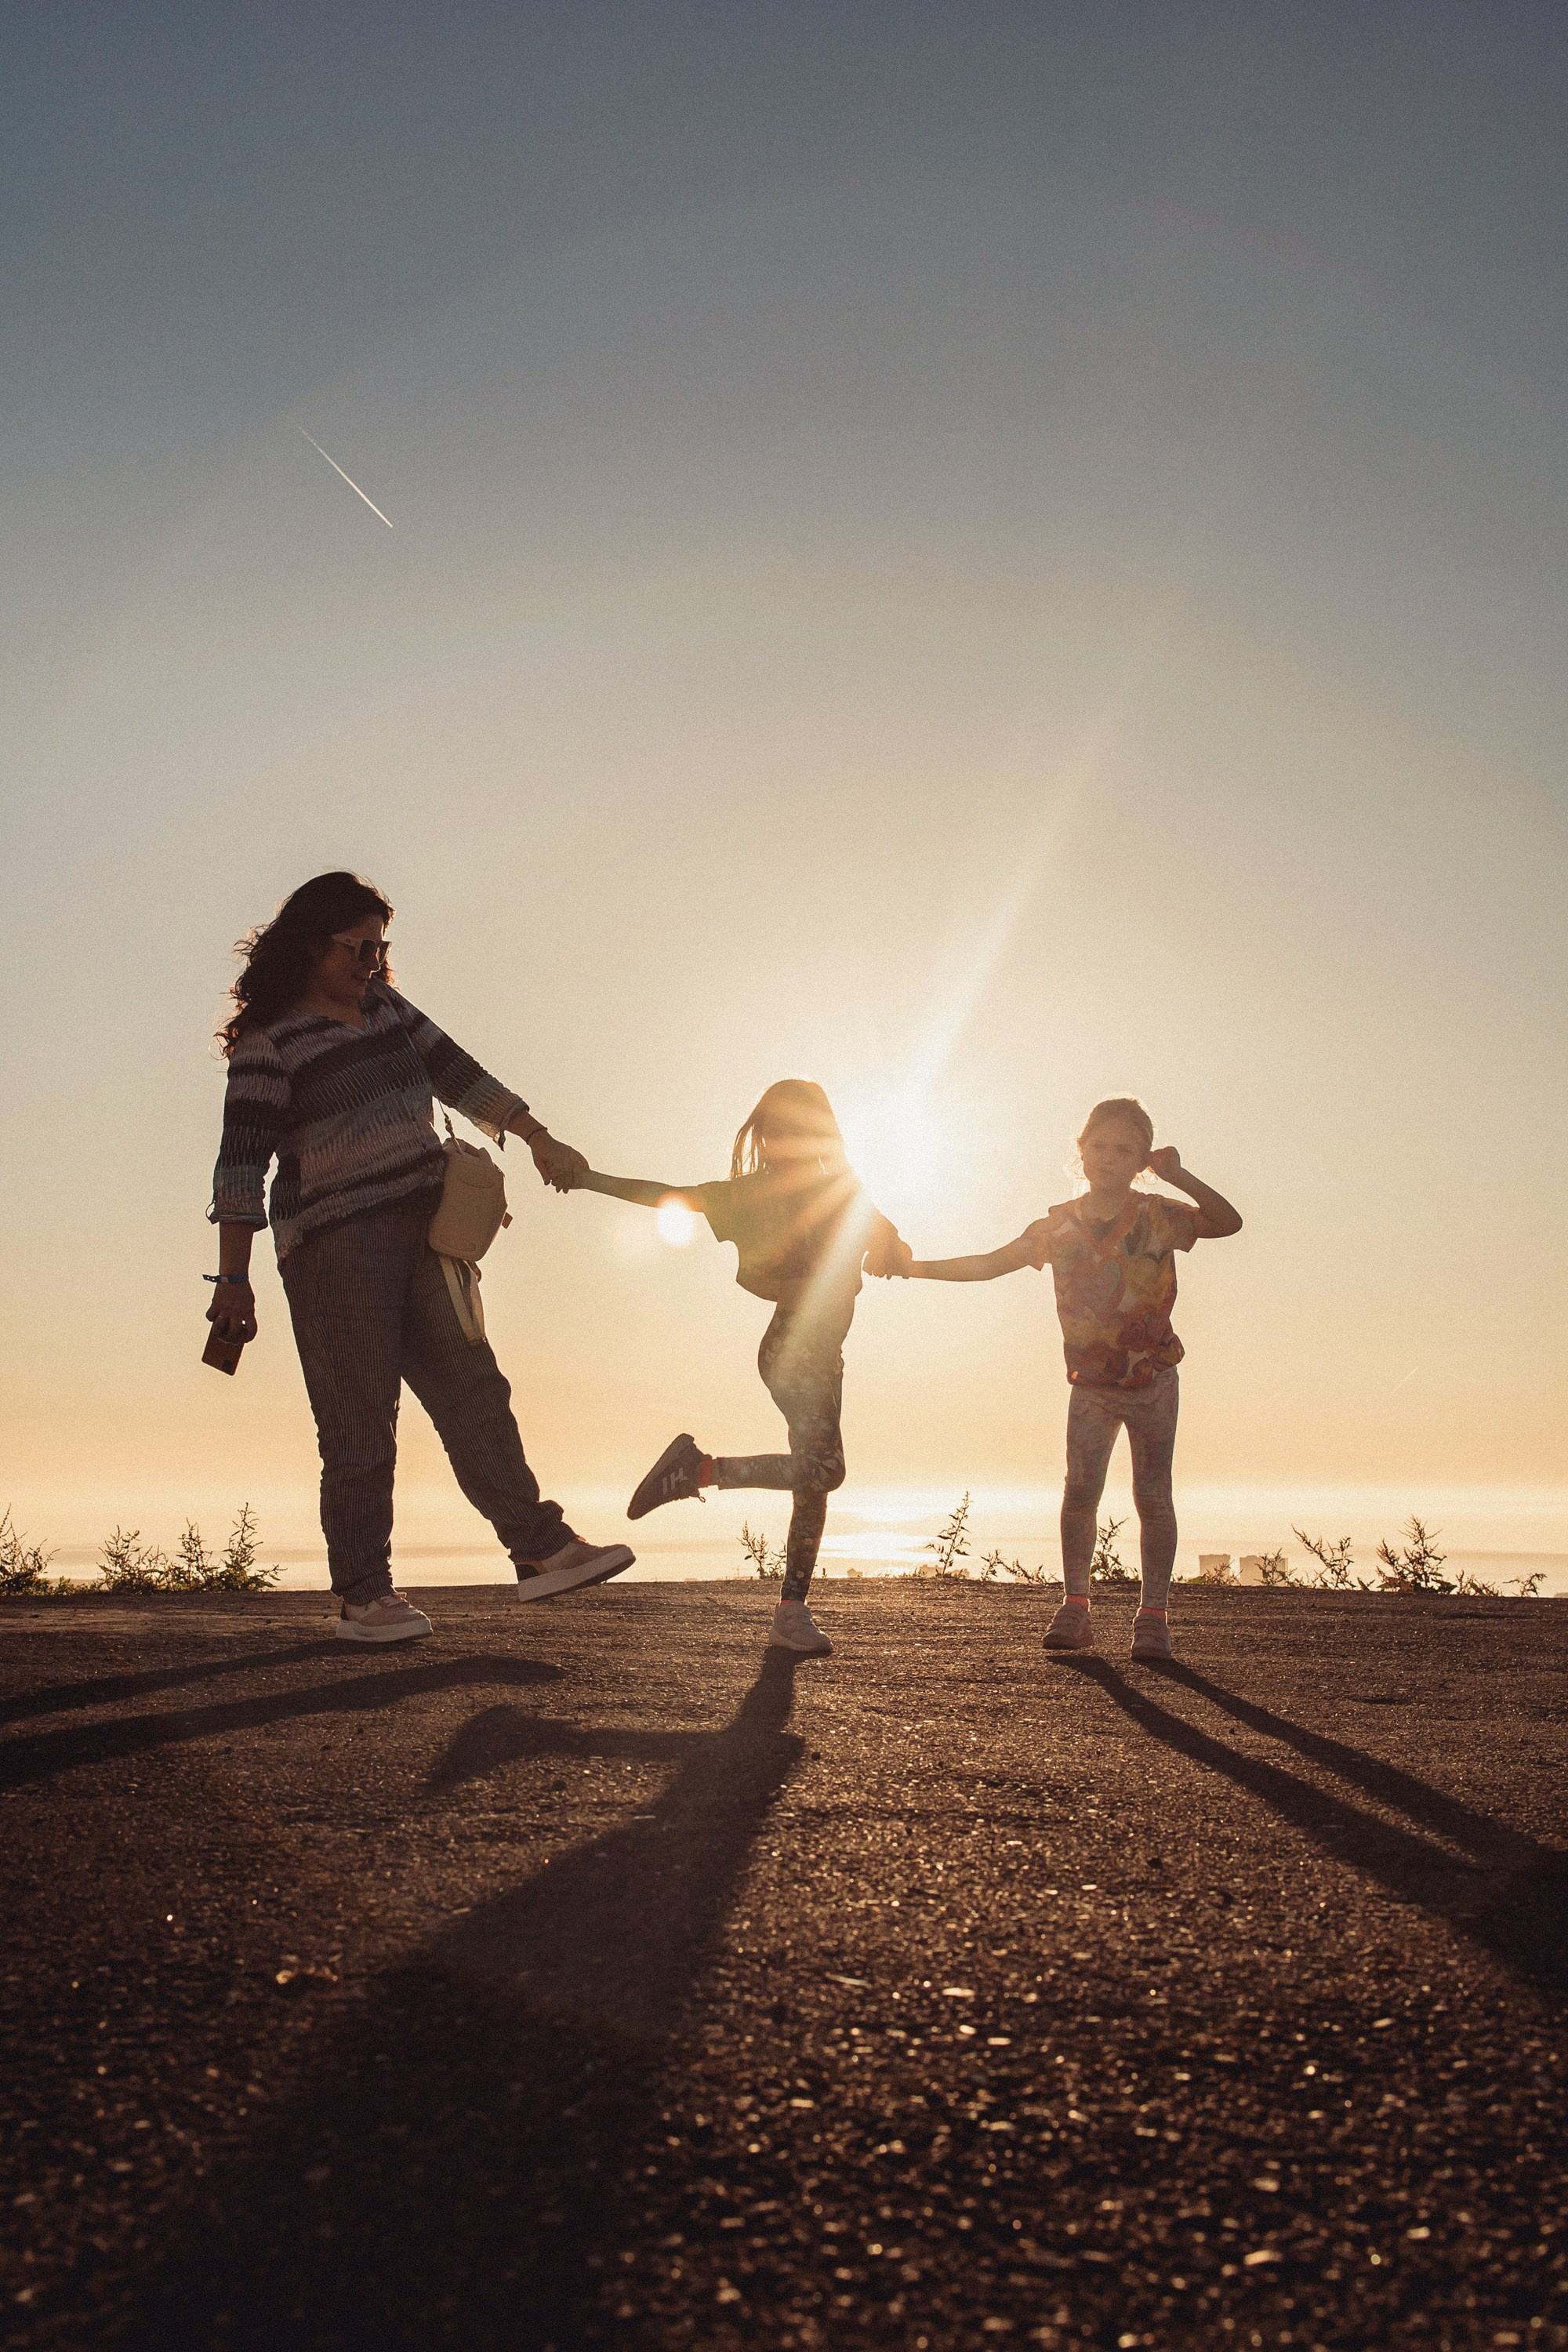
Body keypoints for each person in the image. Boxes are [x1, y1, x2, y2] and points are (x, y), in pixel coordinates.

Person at [205, 871, 634, 1643]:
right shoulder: (270, 1046)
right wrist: (232, 1279)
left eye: (380, 947)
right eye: (357, 946)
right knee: (360, 1425)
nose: (371, 961)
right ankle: (365, 1597)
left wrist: (538, 1137)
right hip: (335, 1249)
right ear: (312, 944)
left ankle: (540, 1550)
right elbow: (241, 1167)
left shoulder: (385, 1010)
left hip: (428, 1232)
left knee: (476, 1392)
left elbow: (457, 1070)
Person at [572, 1080, 911, 1657]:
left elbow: (886, 1234)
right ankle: (699, 1471)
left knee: (815, 1477)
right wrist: (587, 1178)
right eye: (776, 1130)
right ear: (763, 1135)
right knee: (825, 1470)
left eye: (800, 1130)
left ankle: (791, 1609)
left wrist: (892, 1250)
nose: (786, 1141)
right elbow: (667, 1196)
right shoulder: (751, 1195)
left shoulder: (844, 1189)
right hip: (790, 1351)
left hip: (826, 1358)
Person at [908, 1097, 1241, 1661]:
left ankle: (1153, 1617)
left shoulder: (1159, 1214)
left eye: (1124, 1150)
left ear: (1141, 1160)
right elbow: (990, 1264)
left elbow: (1227, 1222)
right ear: (1080, 1151)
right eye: (1099, 1146)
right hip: (1090, 1383)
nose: (1108, 1157)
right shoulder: (1059, 1226)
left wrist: (1178, 1175)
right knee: (1079, 1494)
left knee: (1153, 1497)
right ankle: (1075, 1606)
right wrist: (914, 1266)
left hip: (1153, 1379)